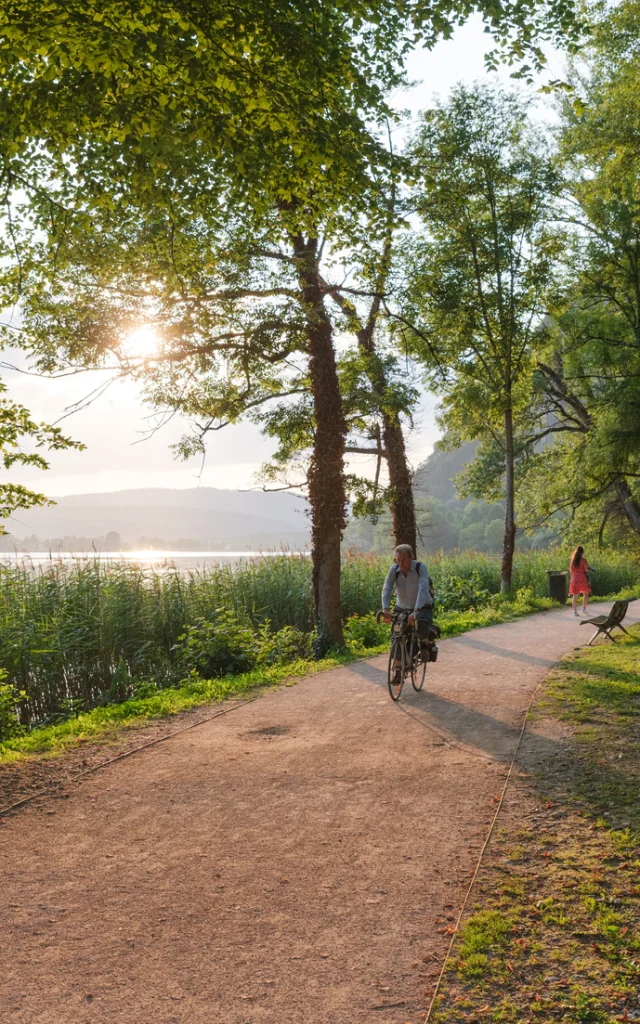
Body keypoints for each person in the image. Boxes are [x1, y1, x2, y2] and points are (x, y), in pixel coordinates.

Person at [382, 544, 434, 679]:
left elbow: (423, 589)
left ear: (412, 557)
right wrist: (386, 609)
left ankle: (424, 643)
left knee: (420, 625)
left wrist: (416, 612)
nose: (400, 563)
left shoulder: (420, 568)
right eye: (397, 560)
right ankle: (398, 670)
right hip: (402, 607)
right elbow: (387, 587)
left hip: (422, 606)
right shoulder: (394, 570)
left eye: (403, 559)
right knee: (397, 634)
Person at [569, 545, 591, 617]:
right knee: (586, 593)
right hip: (582, 578)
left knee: (575, 595)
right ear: (582, 552)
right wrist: (589, 568)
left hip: (574, 578)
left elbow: (571, 569)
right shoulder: (584, 560)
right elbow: (586, 570)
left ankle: (575, 611)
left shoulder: (573, 560)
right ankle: (583, 609)